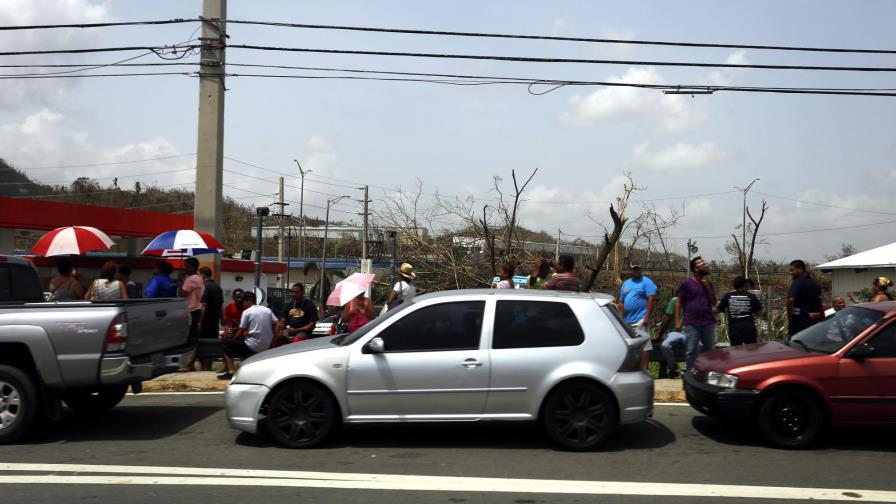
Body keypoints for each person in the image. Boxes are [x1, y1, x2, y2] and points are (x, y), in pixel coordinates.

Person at [217, 291, 278, 380]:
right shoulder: (267, 310)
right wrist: (273, 340)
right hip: (267, 345)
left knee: (225, 342)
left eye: (243, 301)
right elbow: (278, 324)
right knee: (242, 342)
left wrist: (233, 339)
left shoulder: (247, 312)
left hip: (253, 345)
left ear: (249, 301)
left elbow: (240, 332)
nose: (242, 304)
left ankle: (231, 371)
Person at [675, 256, 717, 373]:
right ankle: (689, 377)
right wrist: (677, 321)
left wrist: (707, 286)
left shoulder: (708, 283)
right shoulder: (686, 284)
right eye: (703, 264)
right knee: (691, 351)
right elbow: (678, 302)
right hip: (692, 323)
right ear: (696, 269)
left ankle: (707, 376)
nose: (706, 265)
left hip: (708, 322)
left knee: (709, 351)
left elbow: (714, 302)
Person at [717, 276, 763, 346]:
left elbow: (717, 310)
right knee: (752, 351)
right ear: (745, 285)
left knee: (736, 352)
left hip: (734, 330)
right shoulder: (751, 296)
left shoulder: (728, 296)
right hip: (749, 329)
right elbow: (759, 313)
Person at [178, 257, 204, 372]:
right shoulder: (198, 278)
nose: (184, 267)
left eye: (186, 265)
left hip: (191, 311)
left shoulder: (191, 279)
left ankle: (186, 364)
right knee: (192, 338)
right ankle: (191, 364)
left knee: (189, 339)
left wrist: (180, 281)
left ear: (192, 267)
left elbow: (182, 294)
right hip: (196, 310)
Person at [787, 259, 824, 337]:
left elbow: (791, 300)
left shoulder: (797, 282)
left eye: (792, 270)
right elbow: (819, 300)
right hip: (813, 322)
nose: (790, 273)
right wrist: (820, 314)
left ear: (800, 269)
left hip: (799, 322)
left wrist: (789, 316)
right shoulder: (814, 283)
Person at [197, 266, 224, 370]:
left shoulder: (205, 287)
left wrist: (199, 321)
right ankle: (208, 367)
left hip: (206, 321)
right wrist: (222, 318)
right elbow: (221, 304)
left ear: (203, 275)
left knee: (202, 345)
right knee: (212, 345)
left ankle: (203, 368)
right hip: (215, 321)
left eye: (199, 275)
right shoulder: (218, 287)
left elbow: (204, 305)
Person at [619, 262, 657, 328]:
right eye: (634, 269)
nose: (636, 270)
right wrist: (621, 318)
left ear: (640, 269)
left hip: (640, 320)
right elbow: (621, 302)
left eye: (637, 268)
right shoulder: (626, 283)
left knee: (639, 338)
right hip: (626, 321)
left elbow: (651, 299)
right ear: (630, 270)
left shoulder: (646, 281)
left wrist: (646, 318)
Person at [659, 296, 685, 379]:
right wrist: (660, 335)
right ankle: (674, 368)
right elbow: (667, 319)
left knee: (699, 346)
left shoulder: (695, 300)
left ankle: (687, 370)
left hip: (690, 331)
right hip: (675, 332)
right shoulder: (675, 300)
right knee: (665, 345)